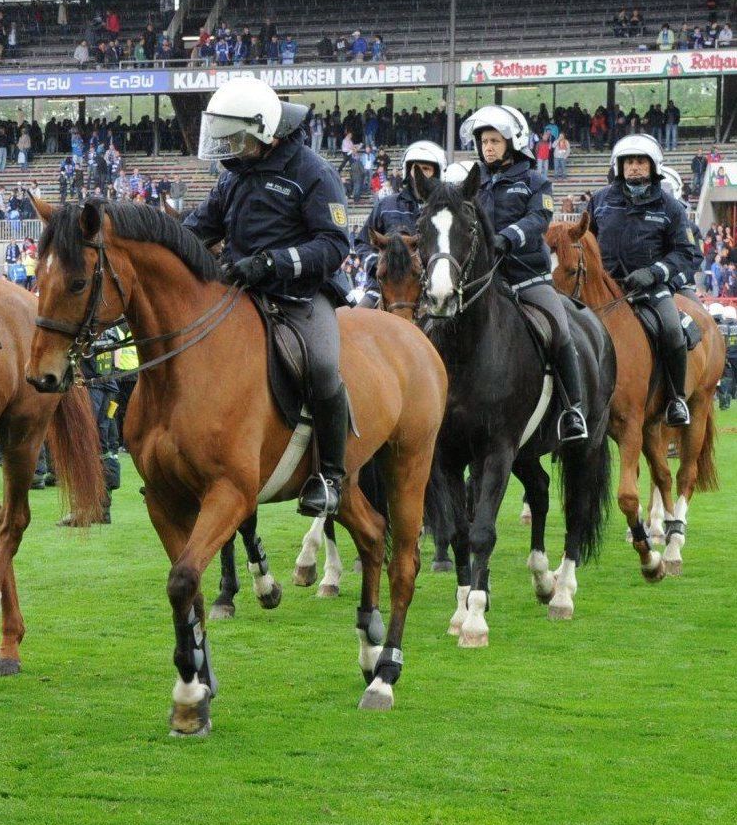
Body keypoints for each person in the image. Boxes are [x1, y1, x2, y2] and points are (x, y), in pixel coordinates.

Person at [183, 75, 352, 518]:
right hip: (241, 290)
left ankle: (330, 476)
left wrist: (272, 262)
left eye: (236, 137)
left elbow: (334, 245)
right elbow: (201, 228)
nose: (228, 147)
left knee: (320, 367)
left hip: (300, 296)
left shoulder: (313, 172)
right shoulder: (236, 174)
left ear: (264, 131)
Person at [460, 104, 589, 442]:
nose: (487, 147)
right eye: (484, 141)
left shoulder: (536, 181)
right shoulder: (473, 182)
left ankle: (573, 410)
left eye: (494, 140)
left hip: (528, 278)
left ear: (512, 142)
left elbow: (538, 220)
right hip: (484, 282)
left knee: (560, 332)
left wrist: (508, 238)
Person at [586, 135, 702, 426]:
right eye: (628, 162)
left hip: (652, 289)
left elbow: (685, 253)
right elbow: (585, 241)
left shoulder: (671, 206)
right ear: (619, 166)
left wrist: (654, 273)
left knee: (673, 331)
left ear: (653, 167)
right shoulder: (599, 201)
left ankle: (676, 400)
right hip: (606, 290)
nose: (634, 167)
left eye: (640, 162)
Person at [356, 141, 445, 309]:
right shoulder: (386, 205)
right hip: (383, 288)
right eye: (415, 168)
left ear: (436, 173)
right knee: (349, 326)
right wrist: (380, 264)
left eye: (426, 169)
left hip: (429, 290)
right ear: (407, 171)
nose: (420, 174)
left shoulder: (443, 212)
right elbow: (362, 242)